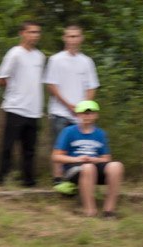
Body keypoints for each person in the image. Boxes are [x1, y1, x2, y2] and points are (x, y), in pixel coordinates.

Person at [44, 25, 99, 186]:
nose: (72, 40)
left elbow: (91, 87)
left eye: (76, 36)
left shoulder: (87, 61)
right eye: (69, 36)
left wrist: (84, 108)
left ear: (81, 38)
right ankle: (57, 179)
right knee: (59, 146)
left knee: (79, 147)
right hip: (60, 112)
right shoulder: (55, 59)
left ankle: (75, 180)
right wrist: (68, 105)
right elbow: (51, 85)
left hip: (80, 115)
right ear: (64, 38)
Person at [0, 21, 46, 187]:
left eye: (37, 32)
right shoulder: (15, 53)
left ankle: (28, 180)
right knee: (8, 145)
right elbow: (0, 78)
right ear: (22, 33)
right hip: (16, 106)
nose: (34, 35)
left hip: (34, 109)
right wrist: (15, 89)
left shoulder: (40, 56)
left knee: (29, 148)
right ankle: (2, 178)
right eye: (31, 32)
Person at [52, 100, 124, 217]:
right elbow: (56, 157)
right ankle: (90, 211)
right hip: (74, 168)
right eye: (84, 113)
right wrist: (78, 159)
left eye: (90, 113)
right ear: (78, 115)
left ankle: (109, 211)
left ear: (96, 115)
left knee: (116, 166)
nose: (87, 116)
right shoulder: (69, 131)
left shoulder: (100, 134)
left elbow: (106, 158)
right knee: (88, 167)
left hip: (94, 164)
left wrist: (96, 160)